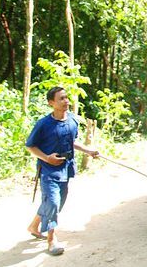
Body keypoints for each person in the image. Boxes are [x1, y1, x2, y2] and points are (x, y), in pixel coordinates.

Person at [25, 87, 99, 256]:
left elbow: (72, 142)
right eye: (61, 99)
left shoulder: (72, 120)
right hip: (49, 170)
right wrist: (46, 158)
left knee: (57, 202)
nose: (66, 101)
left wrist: (88, 151)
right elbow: (30, 146)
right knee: (53, 202)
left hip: (66, 169)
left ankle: (34, 225)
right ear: (51, 103)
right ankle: (51, 240)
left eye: (66, 98)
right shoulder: (43, 124)